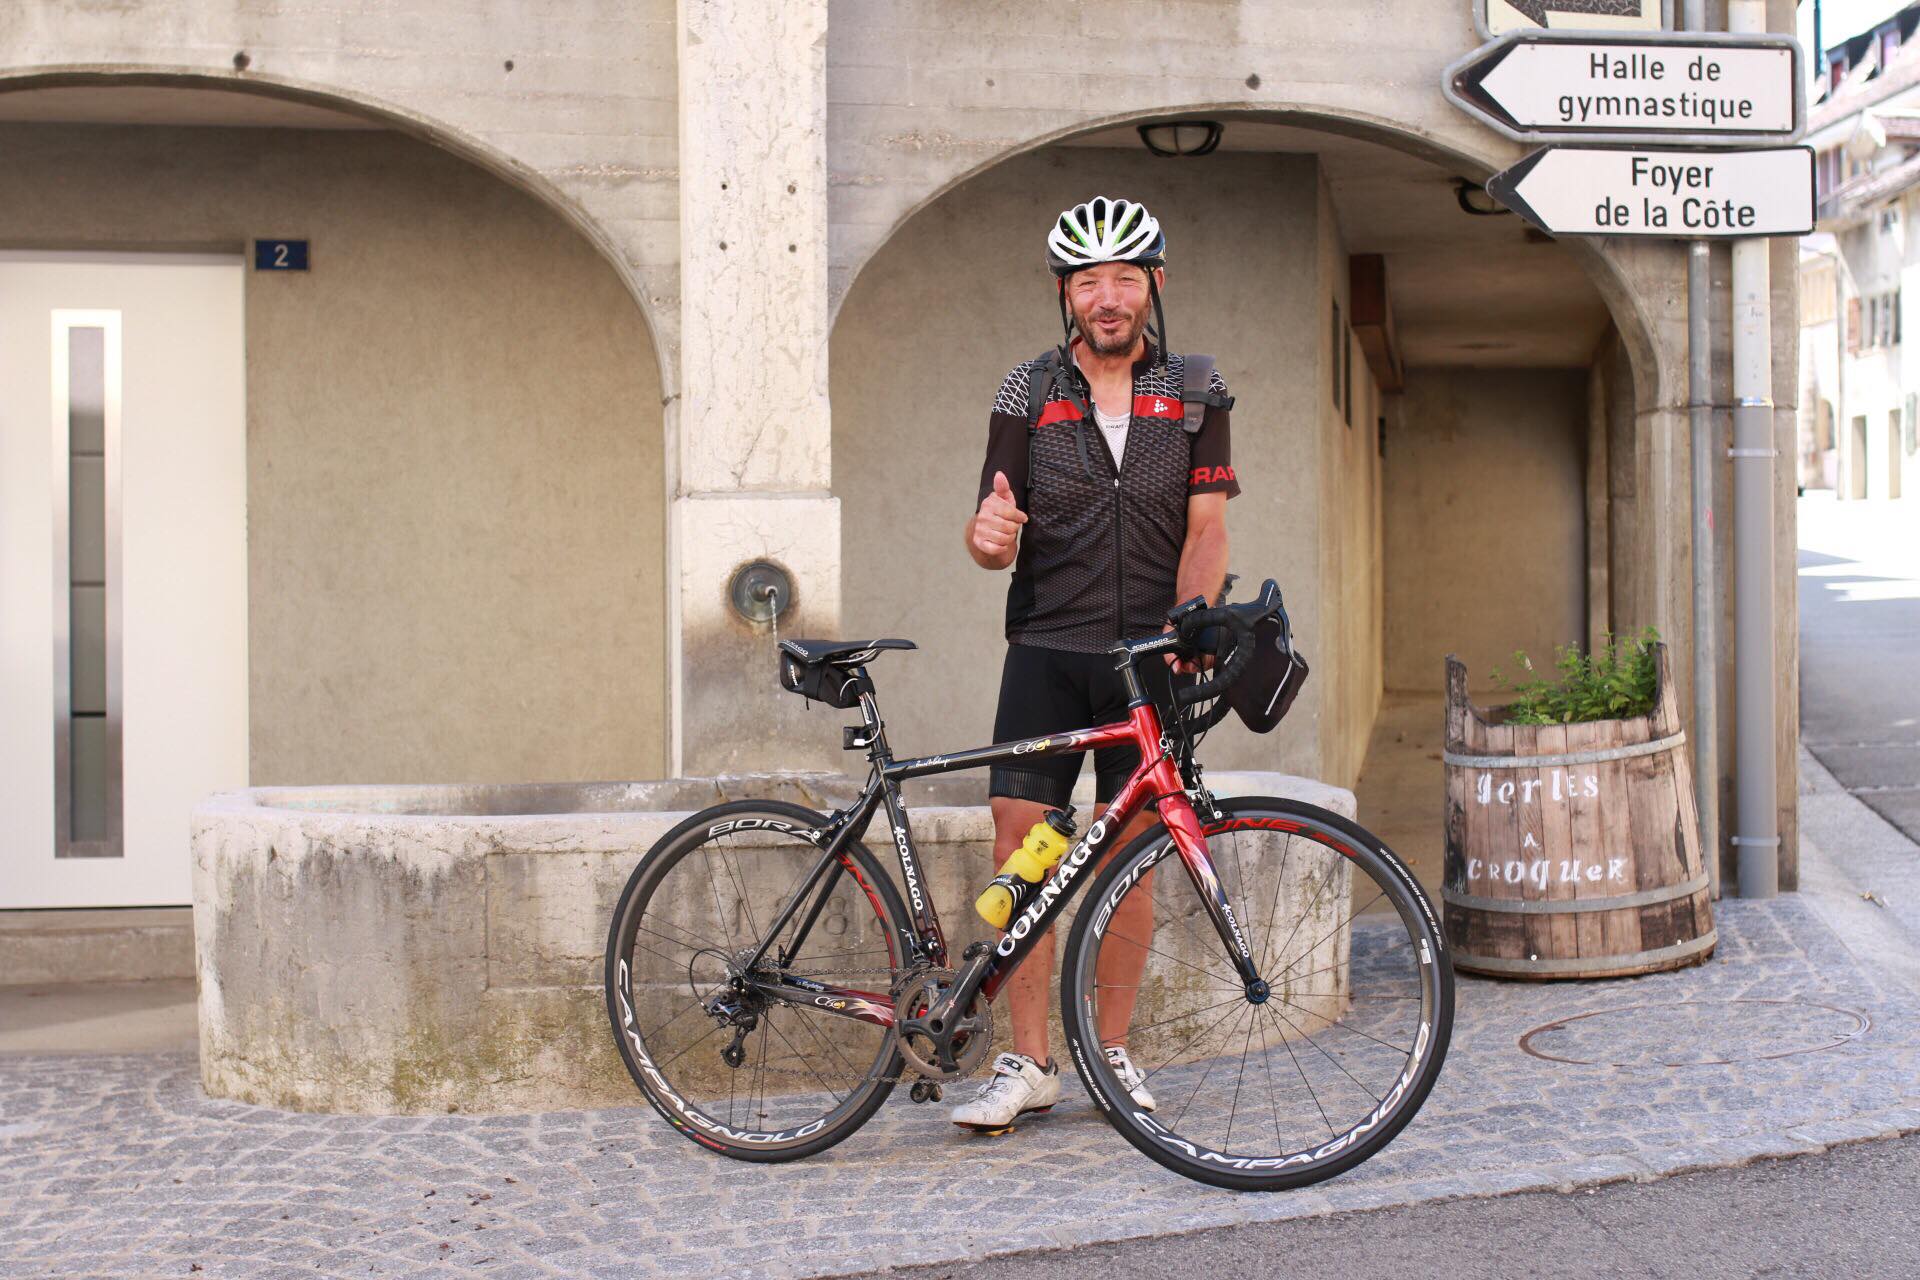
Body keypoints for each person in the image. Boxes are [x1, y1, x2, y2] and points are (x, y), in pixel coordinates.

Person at [953, 196, 1239, 1133]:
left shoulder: (1197, 391)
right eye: (1088, 282)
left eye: (1124, 278)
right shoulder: (1026, 392)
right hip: (1045, 650)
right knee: (1018, 852)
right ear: (1066, 294)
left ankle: (1110, 1052)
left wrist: (1189, 626)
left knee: (1131, 862)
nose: (1106, 298)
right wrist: (987, 538)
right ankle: (1027, 1059)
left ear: (1155, 284)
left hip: (1146, 662)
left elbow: (1208, 529)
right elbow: (992, 529)